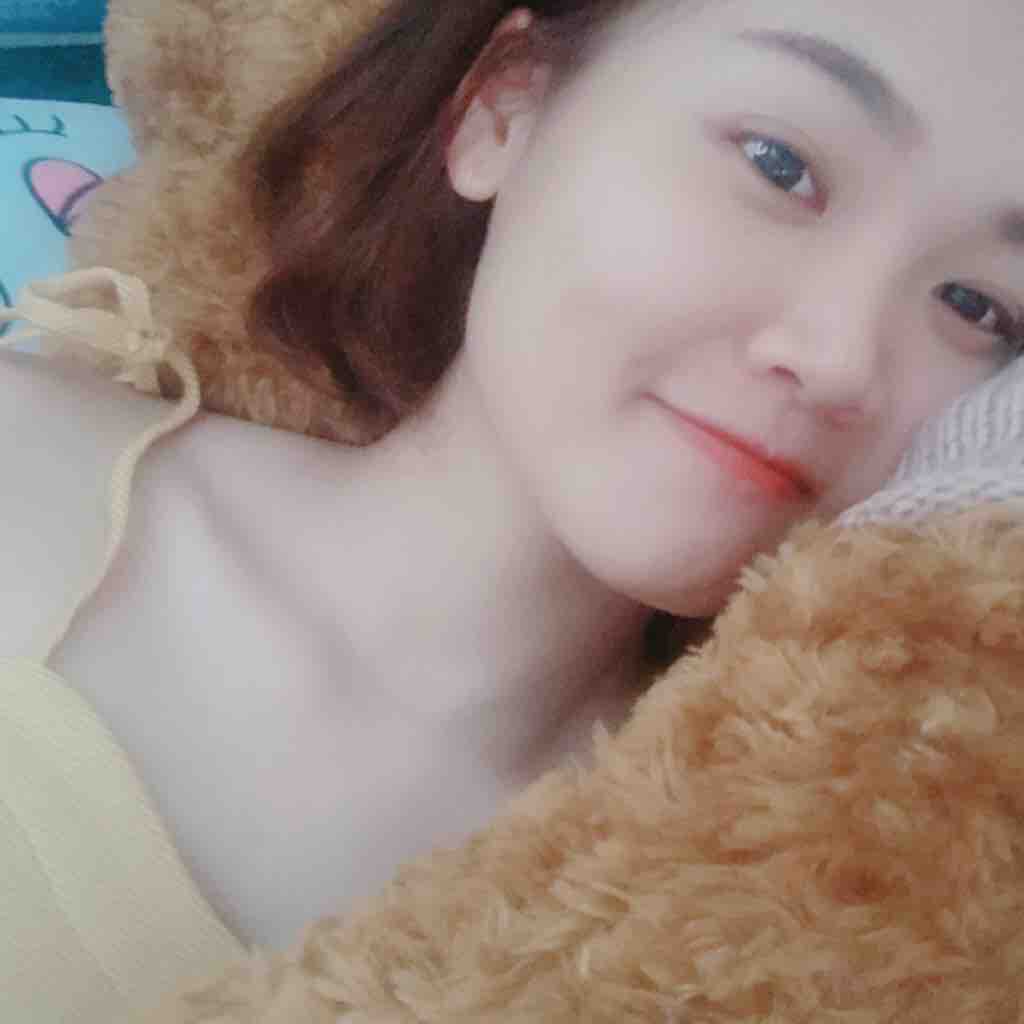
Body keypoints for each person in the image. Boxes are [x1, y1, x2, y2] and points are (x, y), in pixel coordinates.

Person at [2, 0, 1024, 1017]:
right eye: (777, 165)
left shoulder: (803, 915)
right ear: (501, 108)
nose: (840, 356)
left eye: (978, 307)